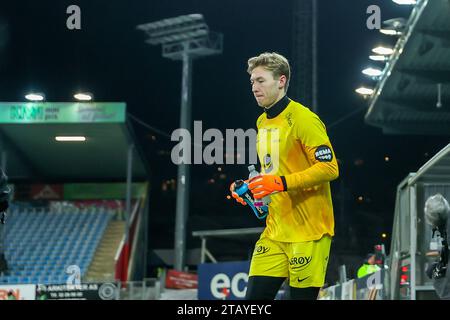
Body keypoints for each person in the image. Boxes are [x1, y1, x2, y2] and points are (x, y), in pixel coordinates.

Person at [230, 52, 339, 300]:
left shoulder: (304, 119)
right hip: (274, 231)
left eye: (260, 81)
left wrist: (280, 183)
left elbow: (330, 168)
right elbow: (273, 172)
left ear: (281, 81)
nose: (254, 88)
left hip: (308, 232)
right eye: (252, 82)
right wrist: (249, 188)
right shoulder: (261, 122)